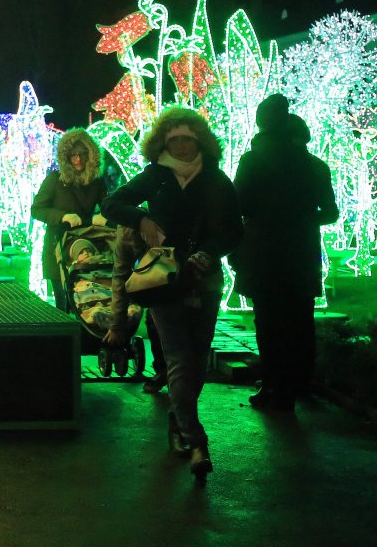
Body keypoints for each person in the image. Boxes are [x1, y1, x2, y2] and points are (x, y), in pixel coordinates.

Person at [103, 108, 242, 484]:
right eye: (174, 140)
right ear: (163, 143)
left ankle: (178, 421)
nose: (181, 146)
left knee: (197, 358)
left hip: (205, 281)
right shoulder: (157, 177)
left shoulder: (217, 180)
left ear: (200, 142)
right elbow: (111, 202)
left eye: (188, 140)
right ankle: (198, 441)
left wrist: (210, 252)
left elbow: (234, 230)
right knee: (180, 357)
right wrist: (141, 219)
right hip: (163, 282)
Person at [234, 95, 339, 410]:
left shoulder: (253, 161)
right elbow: (330, 212)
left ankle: (274, 385)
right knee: (300, 320)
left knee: (268, 321)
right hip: (301, 253)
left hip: (263, 252)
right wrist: (305, 221)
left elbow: (239, 204)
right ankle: (299, 383)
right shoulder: (314, 166)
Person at [32, 130, 109, 313]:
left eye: (82, 154)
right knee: (63, 303)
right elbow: (37, 210)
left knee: (87, 303)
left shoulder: (96, 182)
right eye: (73, 155)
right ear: (66, 156)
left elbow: (109, 207)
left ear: (90, 155)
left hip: (86, 250)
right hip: (58, 248)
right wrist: (62, 216)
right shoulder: (55, 180)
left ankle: (84, 340)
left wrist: (105, 215)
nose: (78, 160)